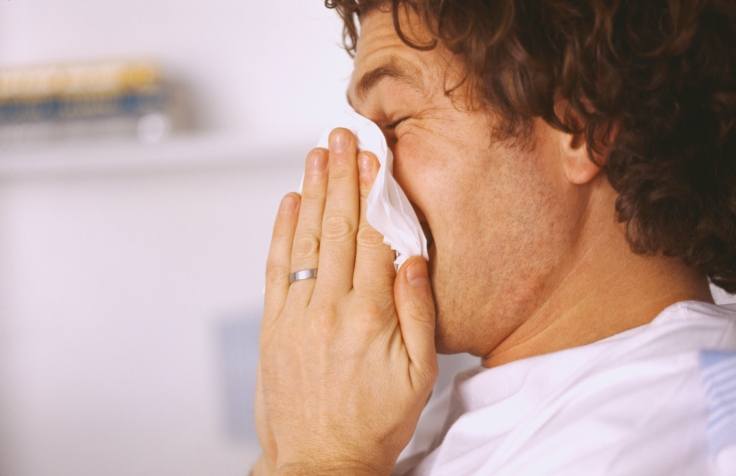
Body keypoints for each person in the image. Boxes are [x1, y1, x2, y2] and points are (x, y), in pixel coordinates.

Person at [252, 0, 736, 474]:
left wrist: (324, 457)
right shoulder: (411, 418)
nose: (365, 175)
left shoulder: (670, 422)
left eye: (395, 123)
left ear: (580, 128)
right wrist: (288, 451)